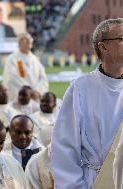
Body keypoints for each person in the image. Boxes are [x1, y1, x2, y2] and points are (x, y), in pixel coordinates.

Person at [51, 18, 123, 188]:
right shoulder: (81, 88)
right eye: (121, 38)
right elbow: (65, 148)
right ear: (103, 46)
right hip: (96, 182)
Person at [3, 33, 48, 102]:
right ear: (19, 42)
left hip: (35, 99)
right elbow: (12, 78)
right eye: (26, 39)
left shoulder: (35, 59)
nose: (29, 41)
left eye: (30, 39)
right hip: (20, 99)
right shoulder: (12, 59)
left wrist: (38, 90)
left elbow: (43, 78)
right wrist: (29, 91)